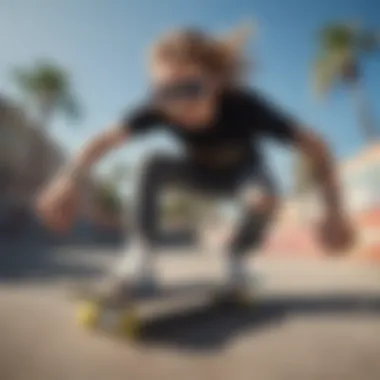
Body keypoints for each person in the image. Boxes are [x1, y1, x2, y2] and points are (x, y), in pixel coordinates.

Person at [36, 25, 354, 303]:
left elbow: (316, 146)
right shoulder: (159, 109)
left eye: (190, 89)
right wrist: (66, 181)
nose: (179, 105)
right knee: (151, 162)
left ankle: (237, 259)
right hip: (198, 175)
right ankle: (141, 255)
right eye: (165, 92)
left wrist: (334, 211)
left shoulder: (246, 106)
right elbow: (102, 141)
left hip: (244, 175)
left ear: (215, 82)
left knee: (264, 196)